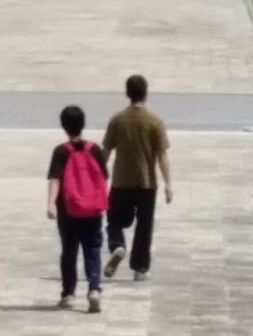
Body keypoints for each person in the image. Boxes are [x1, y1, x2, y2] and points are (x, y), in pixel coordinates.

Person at [102, 74, 172, 282]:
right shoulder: (155, 121)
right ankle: (140, 268)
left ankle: (117, 244)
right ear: (145, 93)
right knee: (144, 226)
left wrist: (97, 175)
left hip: (121, 181)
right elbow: (162, 155)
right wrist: (168, 183)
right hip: (146, 183)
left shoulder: (118, 120)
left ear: (127, 93)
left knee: (114, 218)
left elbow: (106, 151)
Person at [47, 104, 109, 313]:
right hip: (93, 210)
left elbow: (55, 179)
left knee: (69, 251)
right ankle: (94, 289)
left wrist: (50, 204)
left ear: (64, 125)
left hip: (68, 210)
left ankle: (68, 294)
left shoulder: (61, 151)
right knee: (93, 249)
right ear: (83, 124)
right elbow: (103, 177)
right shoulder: (95, 149)